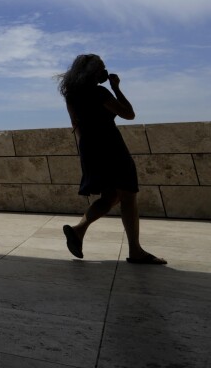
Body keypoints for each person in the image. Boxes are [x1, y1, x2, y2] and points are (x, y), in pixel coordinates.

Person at [57, 54, 166, 264]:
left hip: (89, 148)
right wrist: (116, 88)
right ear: (94, 73)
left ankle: (78, 231)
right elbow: (129, 114)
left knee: (110, 197)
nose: (104, 73)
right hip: (111, 146)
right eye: (102, 69)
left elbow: (75, 125)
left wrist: (85, 151)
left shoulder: (72, 96)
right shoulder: (99, 93)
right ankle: (135, 251)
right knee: (128, 195)